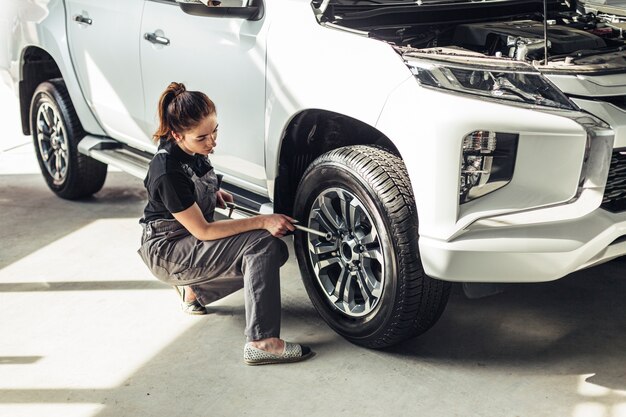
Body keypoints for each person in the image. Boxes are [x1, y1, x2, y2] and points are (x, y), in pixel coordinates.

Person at [137, 82, 313, 365]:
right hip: (167, 250)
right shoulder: (167, 171)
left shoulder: (191, 150)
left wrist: (211, 193)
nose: (212, 142)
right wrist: (264, 221)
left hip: (185, 239)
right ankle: (262, 341)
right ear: (176, 135)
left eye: (215, 130)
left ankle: (195, 291)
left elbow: (190, 191)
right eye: (202, 138)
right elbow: (203, 231)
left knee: (274, 253)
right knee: (263, 243)